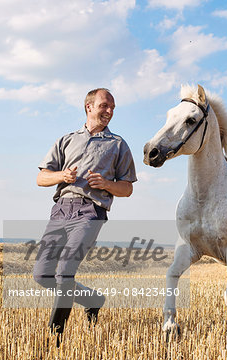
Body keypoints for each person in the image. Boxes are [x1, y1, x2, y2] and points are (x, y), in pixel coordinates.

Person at [33, 88, 137, 346]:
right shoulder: (66, 140)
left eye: (112, 107)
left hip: (91, 211)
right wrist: (61, 176)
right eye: (104, 106)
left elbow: (127, 188)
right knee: (41, 274)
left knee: (66, 270)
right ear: (89, 107)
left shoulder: (118, 144)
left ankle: (54, 338)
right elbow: (41, 178)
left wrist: (106, 184)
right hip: (61, 209)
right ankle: (92, 300)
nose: (110, 111)